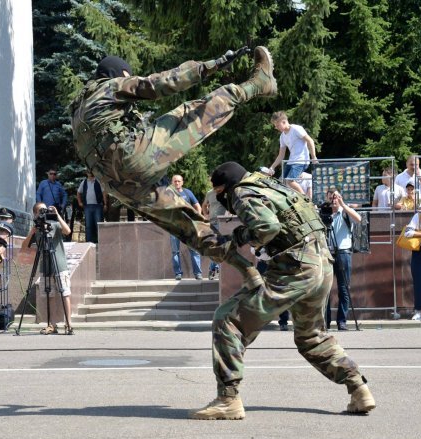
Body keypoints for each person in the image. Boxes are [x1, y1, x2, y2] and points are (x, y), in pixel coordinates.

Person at [69, 47, 276, 287]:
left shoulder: (78, 109)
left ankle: (246, 269)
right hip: (134, 158)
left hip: (118, 186)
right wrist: (212, 64)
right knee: (193, 112)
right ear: (119, 73)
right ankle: (258, 84)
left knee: (188, 226)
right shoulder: (111, 86)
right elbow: (160, 83)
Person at [189, 162, 374, 420]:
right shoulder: (272, 186)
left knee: (227, 320)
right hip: (321, 264)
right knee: (312, 337)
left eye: (219, 192)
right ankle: (358, 389)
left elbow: (268, 227)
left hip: (295, 268)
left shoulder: (241, 192)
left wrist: (240, 237)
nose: (220, 198)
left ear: (224, 187)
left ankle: (227, 399)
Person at [22, 202, 74, 335]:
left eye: (45, 210)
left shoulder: (55, 225)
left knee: (65, 294)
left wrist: (57, 215)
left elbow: (68, 231)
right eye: (41, 211)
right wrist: (32, 231)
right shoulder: (37, 229)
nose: (44, 213)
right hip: (45, 267)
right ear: (35, 214)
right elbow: (24, 246)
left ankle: (69, 324)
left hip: (60, 265)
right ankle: (52, 325)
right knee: (49, 296)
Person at [323, 187, 361, 331]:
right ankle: (325, 322)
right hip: (327, 253)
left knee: (343, 289)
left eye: (337, 197)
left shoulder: (345, 212)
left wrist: (343, 205)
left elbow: (358, 219)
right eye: (332, 197)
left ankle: (342, 321)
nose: (334, 200)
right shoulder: (324, 214)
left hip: (343, 252)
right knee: (325, 289)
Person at [268, 111, 318, 191]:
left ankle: (304, 199)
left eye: (277, 125)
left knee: (290, 181)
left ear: (284, 122)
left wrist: (314, 157)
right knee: (282, 182)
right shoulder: (282, 137)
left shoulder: (296, 129)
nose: (276, 128)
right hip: (292, 161)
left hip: (301, 161)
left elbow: (310, 141)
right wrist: (272, 167)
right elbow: (281, 155)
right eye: (275, 126)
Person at [169, 175, 203, 280]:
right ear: (172, 182)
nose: (177, 183)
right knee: (175, 251)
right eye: (175, 181)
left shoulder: (188, 193)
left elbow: (197, 206)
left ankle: (198, 273)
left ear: (182, 182)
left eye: (179, 181)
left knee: (194, 250)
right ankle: (178, 274)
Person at [202, 186, 228, 280]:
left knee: (221, 247)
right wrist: (206, 215)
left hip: (224, 223)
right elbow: (204, 205)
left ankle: (214, 269)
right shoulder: (209, 193)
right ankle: (214, 269)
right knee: (215, 247)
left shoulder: (225, 191)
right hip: (212, 223)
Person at [77, 170, 108, 243]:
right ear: (86, 173)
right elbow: (78, 192)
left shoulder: (98, 181)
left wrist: (105, 204)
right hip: (87, 206)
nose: (89, 173)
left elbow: (104, 192)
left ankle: (101, 242)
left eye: (90, 172)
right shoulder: (84, 182)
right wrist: (80, 202)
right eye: (88, 172)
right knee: (88, 226)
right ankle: (89, 243)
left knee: (99, 225)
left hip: (98, 206)